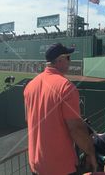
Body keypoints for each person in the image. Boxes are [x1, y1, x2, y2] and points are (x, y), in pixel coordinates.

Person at [24, 43, 96, 174]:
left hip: (36, 165)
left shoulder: (30, 86)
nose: (70, 61)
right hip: (61, 167)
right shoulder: (66, 87)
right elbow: (76, 129)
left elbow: (28, 120)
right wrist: (91, 153)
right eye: (68, 57)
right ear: (59, 60)